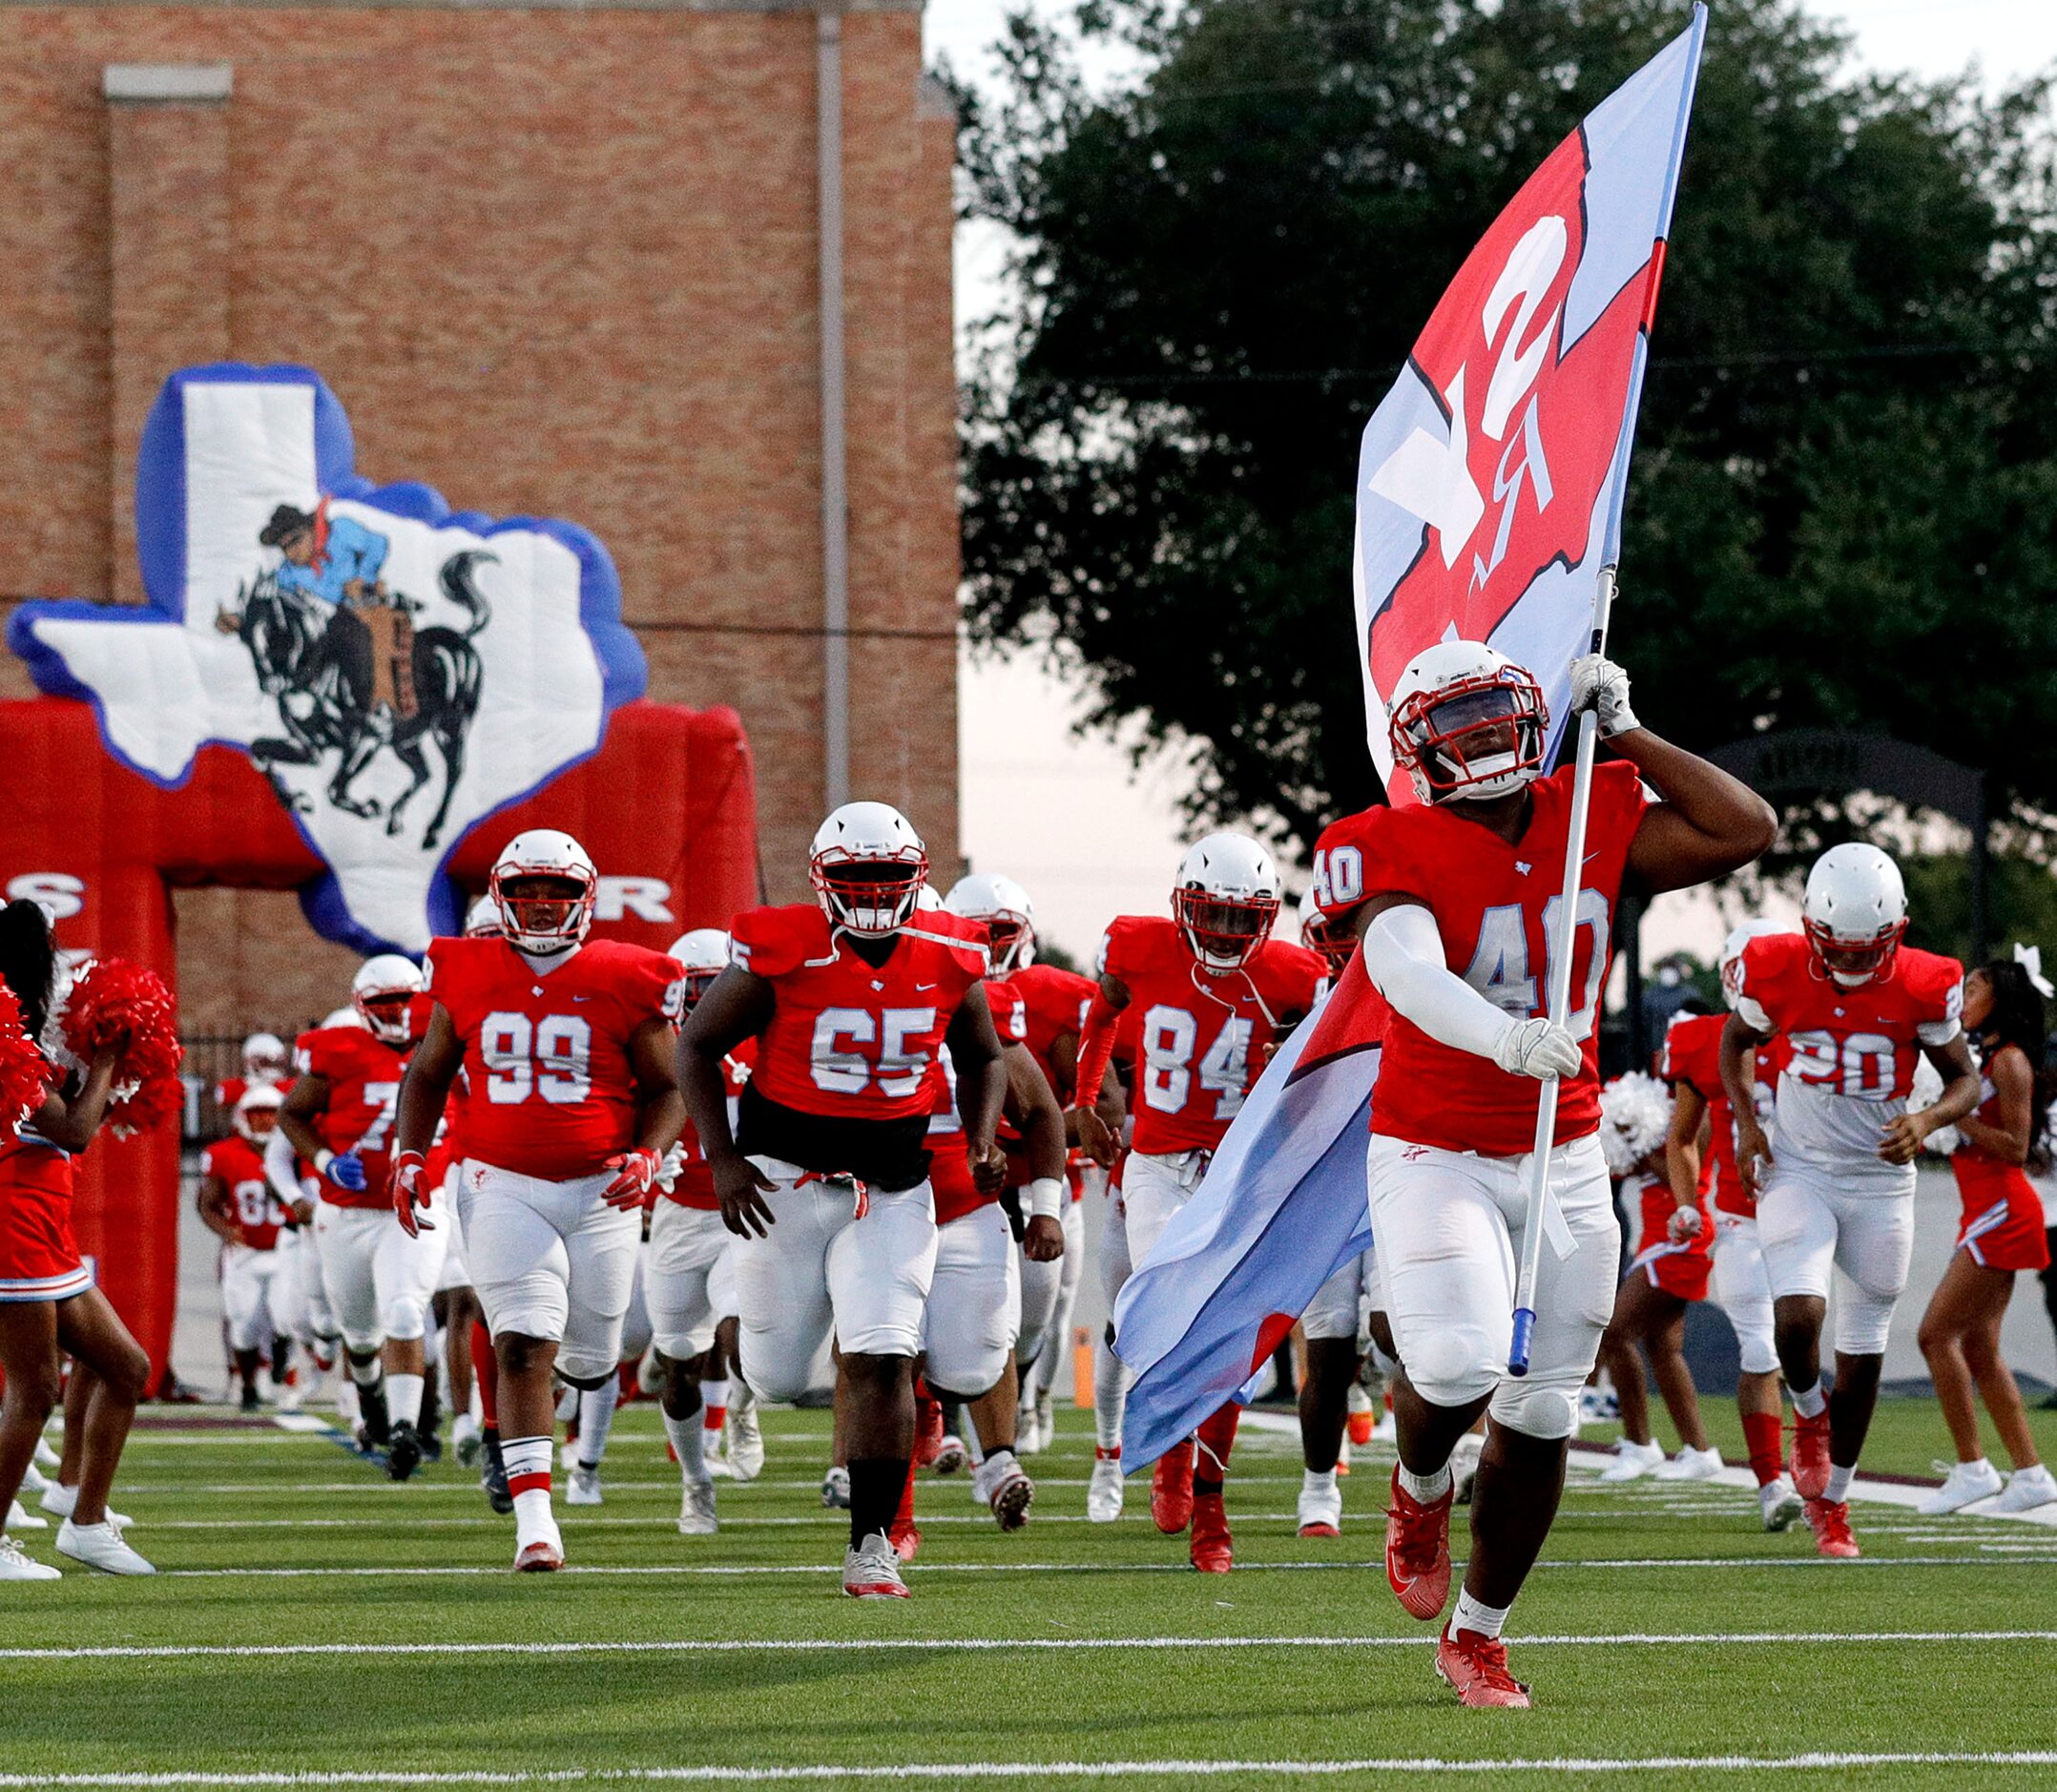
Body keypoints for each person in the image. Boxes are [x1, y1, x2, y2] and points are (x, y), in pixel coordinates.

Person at [1359, 641, 1775, 1707]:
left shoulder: (1587, 809)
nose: (1487, 737)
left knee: (1544, 1412)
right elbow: (1400, 968)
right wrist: (1500, 1039)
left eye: (1499, 713)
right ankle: (1415, 1487)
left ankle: (1479, 1636)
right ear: (1418, 748)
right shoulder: (1386, 839)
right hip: (1434, 1146)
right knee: (1452, 1369)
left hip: (1564, 1151)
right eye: (1458, 723)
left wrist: (1630, 729)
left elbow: (1745, 828)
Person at [676, 802, 1008, 1600]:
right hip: (782, 1182)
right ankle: (762, 1389)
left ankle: (871, 1543)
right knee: (783, 1375)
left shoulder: (947, 952)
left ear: (916, 879)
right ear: (825, 881)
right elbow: (695, 1043)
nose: (870, 893)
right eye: (855, 877)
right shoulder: (782, 948)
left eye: (886, 877)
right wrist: (719, 1158)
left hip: (892, 1188)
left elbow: (986, 1056)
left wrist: (984, 1136)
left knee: (885, 1353)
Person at [391, 829, 685, 1572]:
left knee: (592, 1358)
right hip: (501, 1181)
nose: (544, 905)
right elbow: (428, 1073)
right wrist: (409, 1156)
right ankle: (534, 1518)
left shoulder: (629, 973)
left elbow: (670, 1086)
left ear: (585, 897)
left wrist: (649, 1155)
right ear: (501, 896)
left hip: (601, 1186)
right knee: (519, 1339)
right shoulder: (465, 968)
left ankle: (581, 1386)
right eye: (527, 891)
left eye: (557, 891)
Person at [1068, 832, 1325, 1573]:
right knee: (1170, 1313)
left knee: (1234, 1338)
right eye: (1212, 916)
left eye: (1244, 922)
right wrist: (1087, 1098)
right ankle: (1173, 1455)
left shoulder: (1296, 977)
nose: (1226, 935)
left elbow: (1336, 1048)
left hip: (1244, 1171)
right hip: (1157, 1164)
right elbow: (1102, 1014)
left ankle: (1211, 1503)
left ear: (1268, 919)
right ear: (1181, 907)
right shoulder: (1135, 948)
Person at [1722, 843, 1980, 1561]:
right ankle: (1808, 1413)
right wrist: (1747, 1120)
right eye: (1842, 949)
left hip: (1879, 1179)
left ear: (1898, 930)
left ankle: (1833, 1501)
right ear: (1811, 929)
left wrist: (1927, 1121)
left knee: (1862, 1353)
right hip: (1799, 1166)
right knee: (1797, 1315)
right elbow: (1735, 1041)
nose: (1858, 964)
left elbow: (1966, 1080)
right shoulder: (1774, 966)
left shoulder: (1927, 982)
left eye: (1874, 951)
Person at [0, 901, 155, 1579]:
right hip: (12, 1216)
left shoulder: (21, 1027)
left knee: (125, 1367)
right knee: (33, 1391)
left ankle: (85, 1523)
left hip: (42, 1215)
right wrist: (109, 1064)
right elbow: (72, 1128)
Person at [943, 874, 1119, 1456]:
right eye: (976, 933)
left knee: (1033, 1321)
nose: (989, 946)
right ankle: (975, 1442)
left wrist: (1017, 1135)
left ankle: (1027, 1399)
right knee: (961, 1319)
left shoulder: (1050, 993)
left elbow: (1101, 1108)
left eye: (999, 932)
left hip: (1043, 1186)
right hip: (950, 1186)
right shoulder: (929, 987)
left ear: (1025, 935)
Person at [917, 894, 1069, 1532]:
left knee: (991, 1334)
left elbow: (1040, 1112)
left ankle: (999, 1459)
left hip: (964, 1202)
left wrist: (1044, 1205)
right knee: (878, 1347)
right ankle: (884, 1497)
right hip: (871, 1202)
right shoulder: (829, 1003)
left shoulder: (977, 1004)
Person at [1652, 922, 1803, 1529]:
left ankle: (1817, 1465)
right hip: (1741, 1222)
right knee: (1762, 1344)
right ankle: (1773, 1484)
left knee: (1809, 1347)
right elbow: (1682, 1138)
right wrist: (1688, 1201)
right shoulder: (1706, 1040)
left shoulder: (1817, 1037)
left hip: (1811, 1221)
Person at [280, 956, 447, 1478]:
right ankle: (372, 1397)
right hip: (347, 1213)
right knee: (358, 1335)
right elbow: (291, 1114)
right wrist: (327, 1161)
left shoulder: (445, 1042)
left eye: (405, 999)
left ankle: (403, 1430)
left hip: (415, 1206)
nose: (397, 1013)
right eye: (384, 1002)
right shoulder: (338, 1050)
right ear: (360, 1007)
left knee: (405, 1312)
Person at [1917, 952, 2057, 1513]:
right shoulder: (1986, 1057)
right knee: (1979, 1347)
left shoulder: (2010, 1063)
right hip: (1981, 1211)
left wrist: (1951, 1115)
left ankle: (1974, 1467)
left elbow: (2017, 1149)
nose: (1962, 1000)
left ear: (1999, 1001)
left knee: (1934, 1336)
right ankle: (2030, 1475)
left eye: (1972, 990)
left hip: (2003, 1210)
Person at [643, 927, 754, 1534]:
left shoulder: (769, 1039)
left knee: (739, 1332)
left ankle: (743, 1403)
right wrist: (649, 1156)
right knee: (678, 1362)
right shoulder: (656, 1043)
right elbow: (624, 1109)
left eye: (717, 985)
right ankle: (696, 1480)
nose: (707, 998)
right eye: (697, 987)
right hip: (680, 1216)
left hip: (747, 1214)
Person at [1592, 1069, 1723, 1486]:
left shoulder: (1699, 1112)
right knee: (1663, 1349)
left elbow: (1680, 1173)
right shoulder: (1662, 1107)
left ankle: (1639, 1444)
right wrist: (1616, 1138)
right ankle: (1700, 1451)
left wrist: (1639, 1142)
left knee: (1614, 1332)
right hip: (1655, 1237)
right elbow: (1627, 1171)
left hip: (1680, 1238)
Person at [197, 1087, 294, 1411]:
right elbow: (206, 1204)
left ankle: (281, 1355)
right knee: (244, 1326)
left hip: (285, 1247)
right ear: (244, 1116)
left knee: (288, 1315)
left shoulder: (296, 1150)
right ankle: (249, 1385)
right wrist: (226, 1230)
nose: (266, 1120)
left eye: (272, 1113)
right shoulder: (223, 1154)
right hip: (246, 1252)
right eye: (259, 1114)